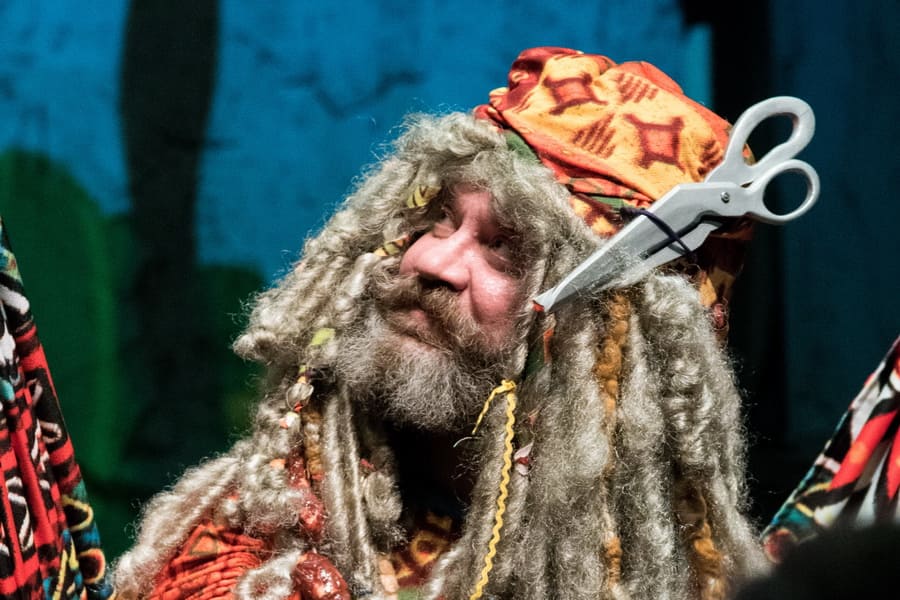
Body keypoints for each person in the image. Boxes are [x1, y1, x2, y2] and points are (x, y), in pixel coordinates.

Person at [112, 47, 769, 600]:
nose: (431, 261)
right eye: (439, 218)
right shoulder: (250, 546)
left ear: (614, 338)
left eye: (505, 248)